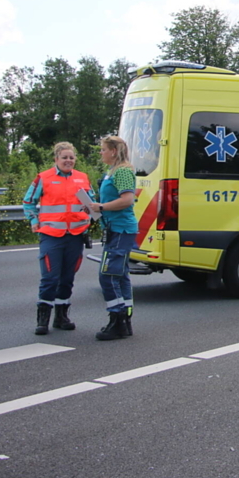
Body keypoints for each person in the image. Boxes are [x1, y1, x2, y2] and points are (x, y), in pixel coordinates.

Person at [23, 142, 94, 335]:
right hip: (51, 235)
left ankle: (61, 317)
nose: (68, 161)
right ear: (56, 159)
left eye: (71, 157)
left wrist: (89, 215)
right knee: (50, 278)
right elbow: (28, 201)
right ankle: (43, 320)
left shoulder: (82, 178)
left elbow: (92, 204)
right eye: (64, 158)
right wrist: (33, 220)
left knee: (67, 278)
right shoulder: (43, 177)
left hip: (76, 235)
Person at [91, 136, 139, 341]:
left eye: (103, 149)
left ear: (113, 151)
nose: (101, 153)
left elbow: (127, 199)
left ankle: (117, 320)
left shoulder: (123, 171)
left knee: (108, 275)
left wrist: (101, 207)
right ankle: (124, 321)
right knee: (120, 275)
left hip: (121, 229)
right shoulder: (112, 171)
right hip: (114, 229)